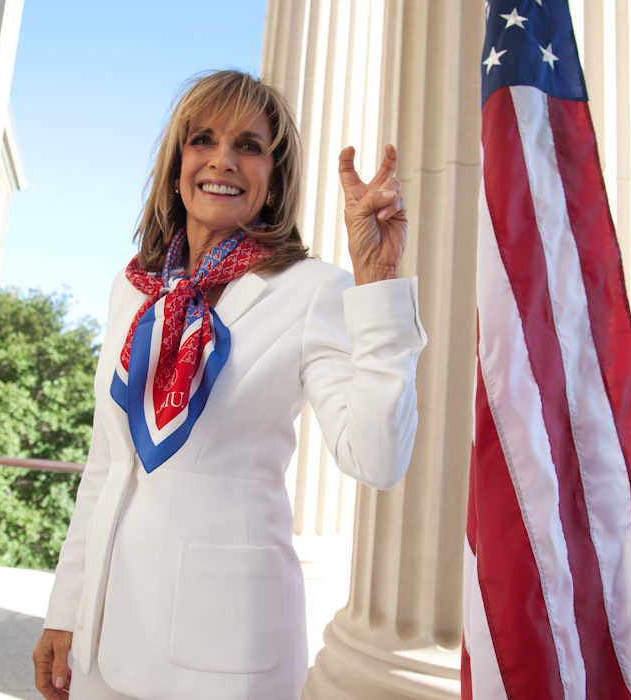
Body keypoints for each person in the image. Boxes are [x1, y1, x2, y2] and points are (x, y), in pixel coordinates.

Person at [32, 69, 426, 700]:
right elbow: (107, 464)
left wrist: (377, 283)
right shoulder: (132, 290)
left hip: (225, 646)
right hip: (102, 636)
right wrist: (65, 609)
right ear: (177, 162)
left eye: (248, 145)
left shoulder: (312, 290)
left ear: (273, 178)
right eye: (203, 140)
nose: (222, 160)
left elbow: (375, 460)